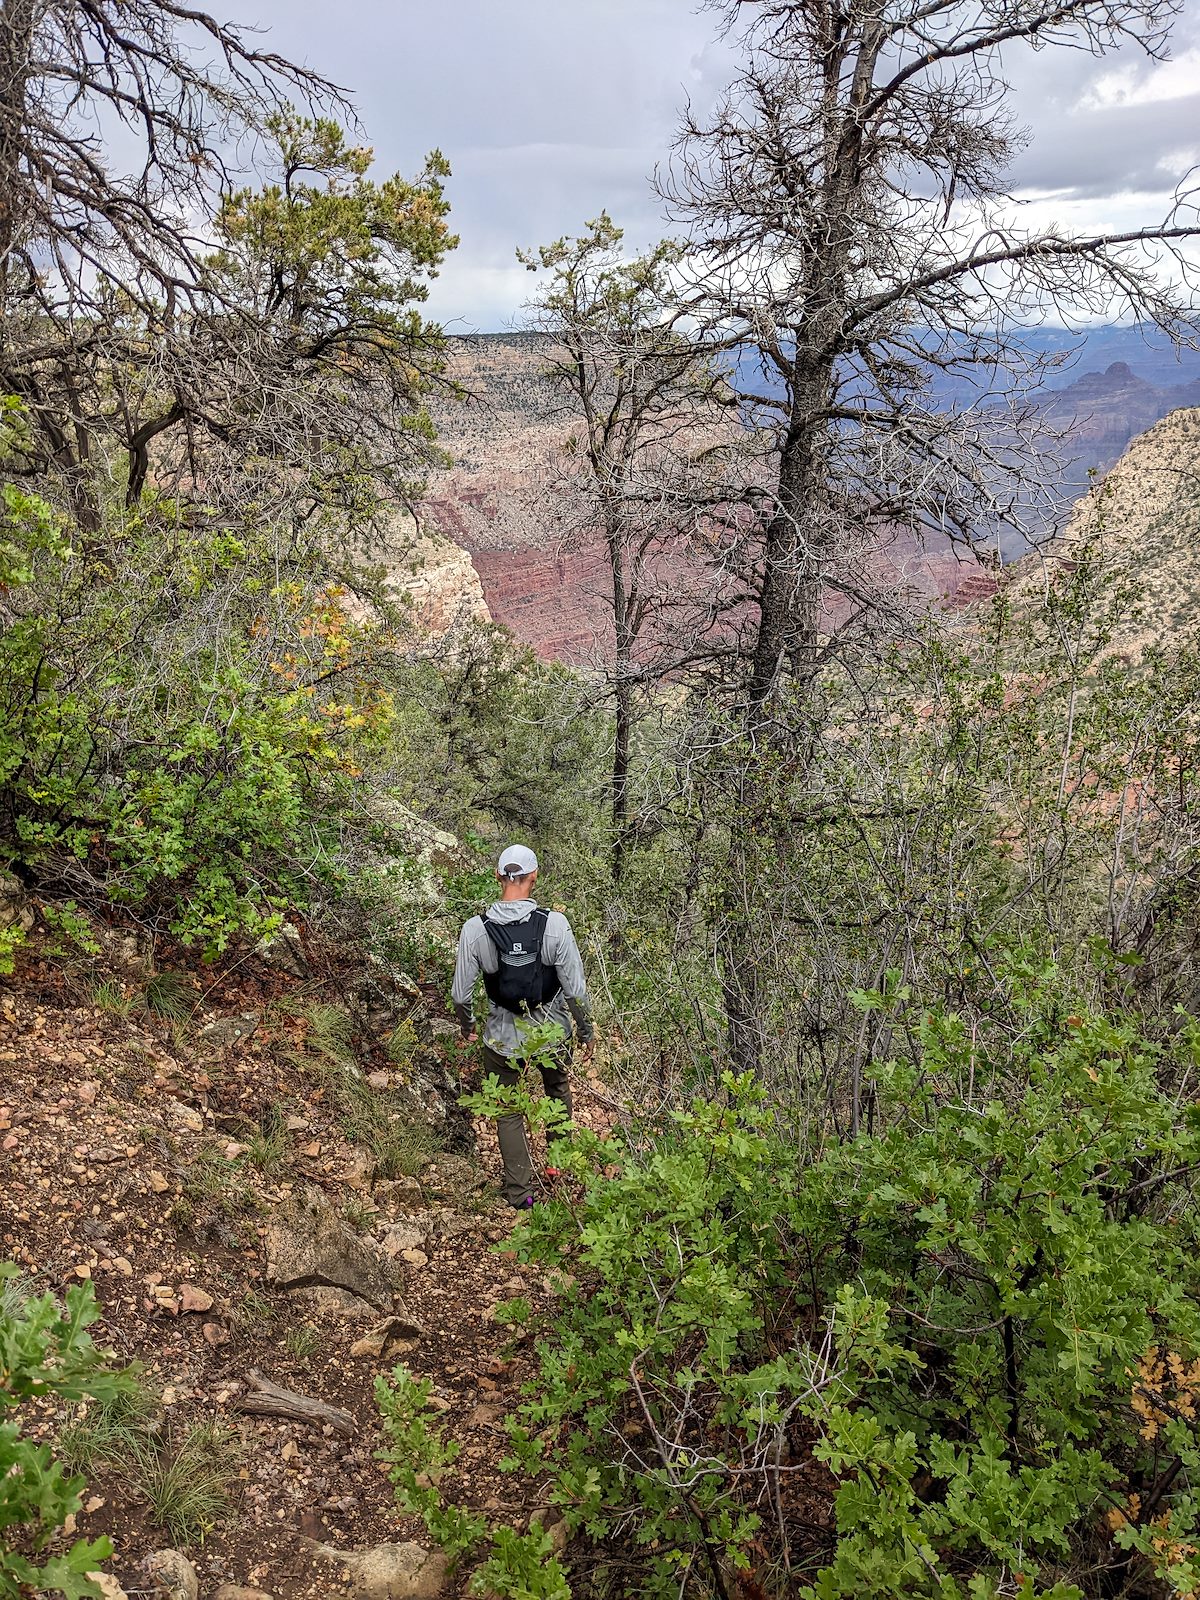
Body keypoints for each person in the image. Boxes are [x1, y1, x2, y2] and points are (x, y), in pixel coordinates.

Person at [452, 844, 594, 1208]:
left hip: (502, 1034)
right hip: (551, 1029)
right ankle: (557, 1167)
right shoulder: (554, 925)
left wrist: (467, 1024)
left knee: (507, 1109)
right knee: (557, 1087)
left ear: (499, 876)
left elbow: (461, 994)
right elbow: (575, 988)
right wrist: (585, 1028)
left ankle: (520, 1194)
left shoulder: (476, 929)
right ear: (534, 877)